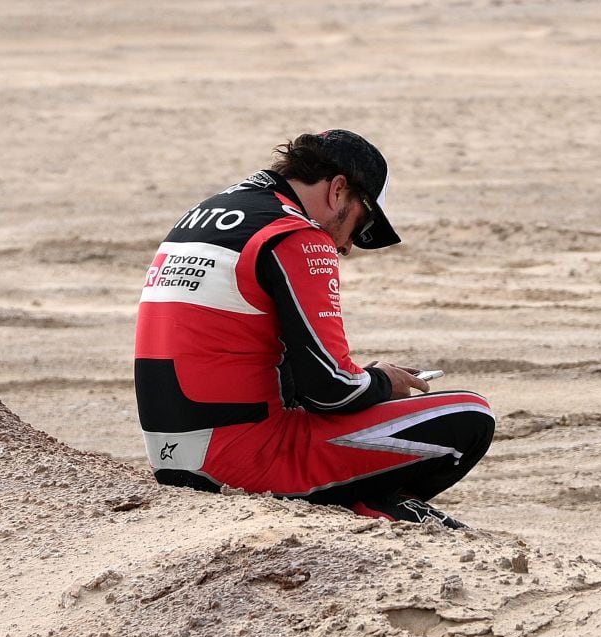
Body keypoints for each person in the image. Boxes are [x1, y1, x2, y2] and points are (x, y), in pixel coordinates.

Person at [134, 129, 495, 529]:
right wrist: (380, 380)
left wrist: (365, 380)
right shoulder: (296, 234)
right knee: (470, 413)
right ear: (338, 190)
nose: (348, 247)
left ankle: (369, 503)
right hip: (241, 461)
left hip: (172, 459)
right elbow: (332, 392)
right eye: (362, 224)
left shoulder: (207, 213)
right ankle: (374, 509)